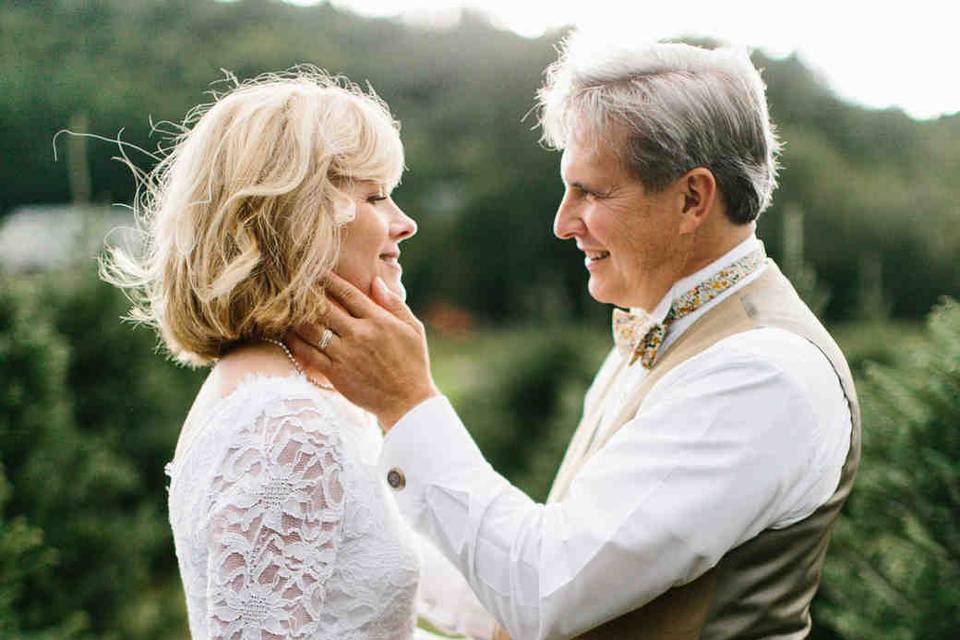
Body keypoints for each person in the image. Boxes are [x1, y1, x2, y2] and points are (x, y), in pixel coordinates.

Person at [289, 33, 861, 640]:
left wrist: (408, 402)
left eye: (591, 191)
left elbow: (544, 591)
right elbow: (541, 586)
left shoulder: (762, 373)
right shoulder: (663, 329)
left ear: (692, 197)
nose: (564, 223)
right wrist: (347, 549)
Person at [102, 70, 497, 639]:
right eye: (375, 196)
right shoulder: (282, 423)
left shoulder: (304, 393)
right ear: (297, 219)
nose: (403, 224)